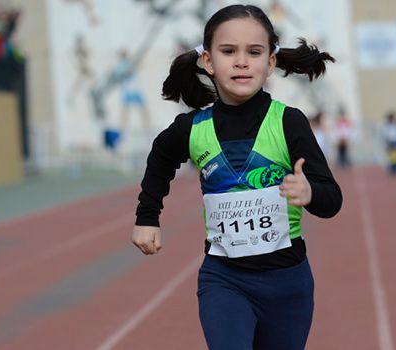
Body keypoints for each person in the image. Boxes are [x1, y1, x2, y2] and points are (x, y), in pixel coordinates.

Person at [130, 4, 342, 350]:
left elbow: (332, 200)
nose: (241, 61)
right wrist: (147, 217)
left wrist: (309, 192)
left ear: (270, 62)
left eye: (254, 52)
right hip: (224, 279)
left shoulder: (289, 123)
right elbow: (160, 157)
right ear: (208, 61)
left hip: (287, 284)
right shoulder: (193, 128)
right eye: (228, 51)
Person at [382, 111, 396, 175]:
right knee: (391, 157)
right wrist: (386, 144)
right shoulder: (386, 126)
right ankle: (392, 169)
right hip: (390, 142)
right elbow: (386, 136)